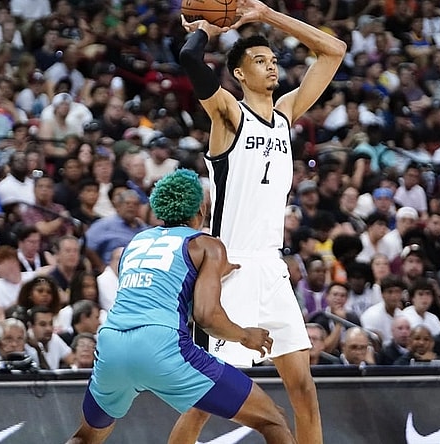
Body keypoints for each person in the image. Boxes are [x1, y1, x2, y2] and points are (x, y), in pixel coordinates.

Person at [170, 2, 346, 444]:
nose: (271, 67)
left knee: (303, 388)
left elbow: (334, 51)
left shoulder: (285, 114)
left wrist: (267, 15)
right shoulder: (228, 114)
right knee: (208, 400)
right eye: (259, 61)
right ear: (239, 75)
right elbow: (191, 59)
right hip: (230, 269)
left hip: (272, 267)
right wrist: (208, 28)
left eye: (273, 60)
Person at [67, 169, 294, 444]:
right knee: (272, 419)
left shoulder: (135, 242)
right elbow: (206, 316)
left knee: (87, 437)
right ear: (200, 207)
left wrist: (207, 274)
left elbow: (159, 282)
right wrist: (246, 335)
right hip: (161, 343)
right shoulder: (206, 245)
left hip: (111, 342)